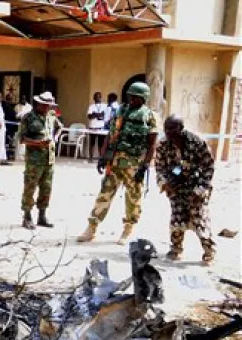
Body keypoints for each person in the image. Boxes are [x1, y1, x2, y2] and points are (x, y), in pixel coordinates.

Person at [77, 82, 159, 244]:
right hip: (114, 161)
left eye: (135, 97)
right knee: (104, 193)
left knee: (133, 198)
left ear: (143, 98)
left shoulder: (150, 116)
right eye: (130, 96)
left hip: (134, 164)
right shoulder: (120, 111)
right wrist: (103, 157)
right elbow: (111, 135)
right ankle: (91, 228)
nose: (131, 99)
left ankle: (128, 229)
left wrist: (144, 166)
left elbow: (151, 145)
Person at [155, 115, 216, 265]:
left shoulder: (197, 142)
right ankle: (176, 250)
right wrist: (165, 183)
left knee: (199, 219)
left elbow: (208, 167)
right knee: (177, 218)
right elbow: (160, 167)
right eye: (166, 129)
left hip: (196, 186)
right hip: (176, 187)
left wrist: (199, 190)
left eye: (172, 129)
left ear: (181, 128)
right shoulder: (163, 144)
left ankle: (209, 252)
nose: (168, 132)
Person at [18, 92, 59, 230]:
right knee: (30, 187)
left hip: (49, 159)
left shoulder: (51, 116)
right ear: (38, 104)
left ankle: (42, 215)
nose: (47, 107)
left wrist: (54, 138)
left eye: (49, 105)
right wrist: (38, 143)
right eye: (45, 105)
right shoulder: (28, 117)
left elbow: (59, 126)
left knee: (46, 188)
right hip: (34, 160)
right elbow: (22, 139)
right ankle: (27, 216)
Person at [86, 92, 108, 162]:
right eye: (96, 97)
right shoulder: (91, 106)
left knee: (101, 144)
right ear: (94, 98)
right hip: (92, 127)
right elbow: (89, 116)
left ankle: (100, 158)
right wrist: (99, 114)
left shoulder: (105, 106)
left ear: (101, 97)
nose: (97, 98)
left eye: (99, 97)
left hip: (101, 127)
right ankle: (91, 158)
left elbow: (105, 115)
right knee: (92, 143)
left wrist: (95, 114)